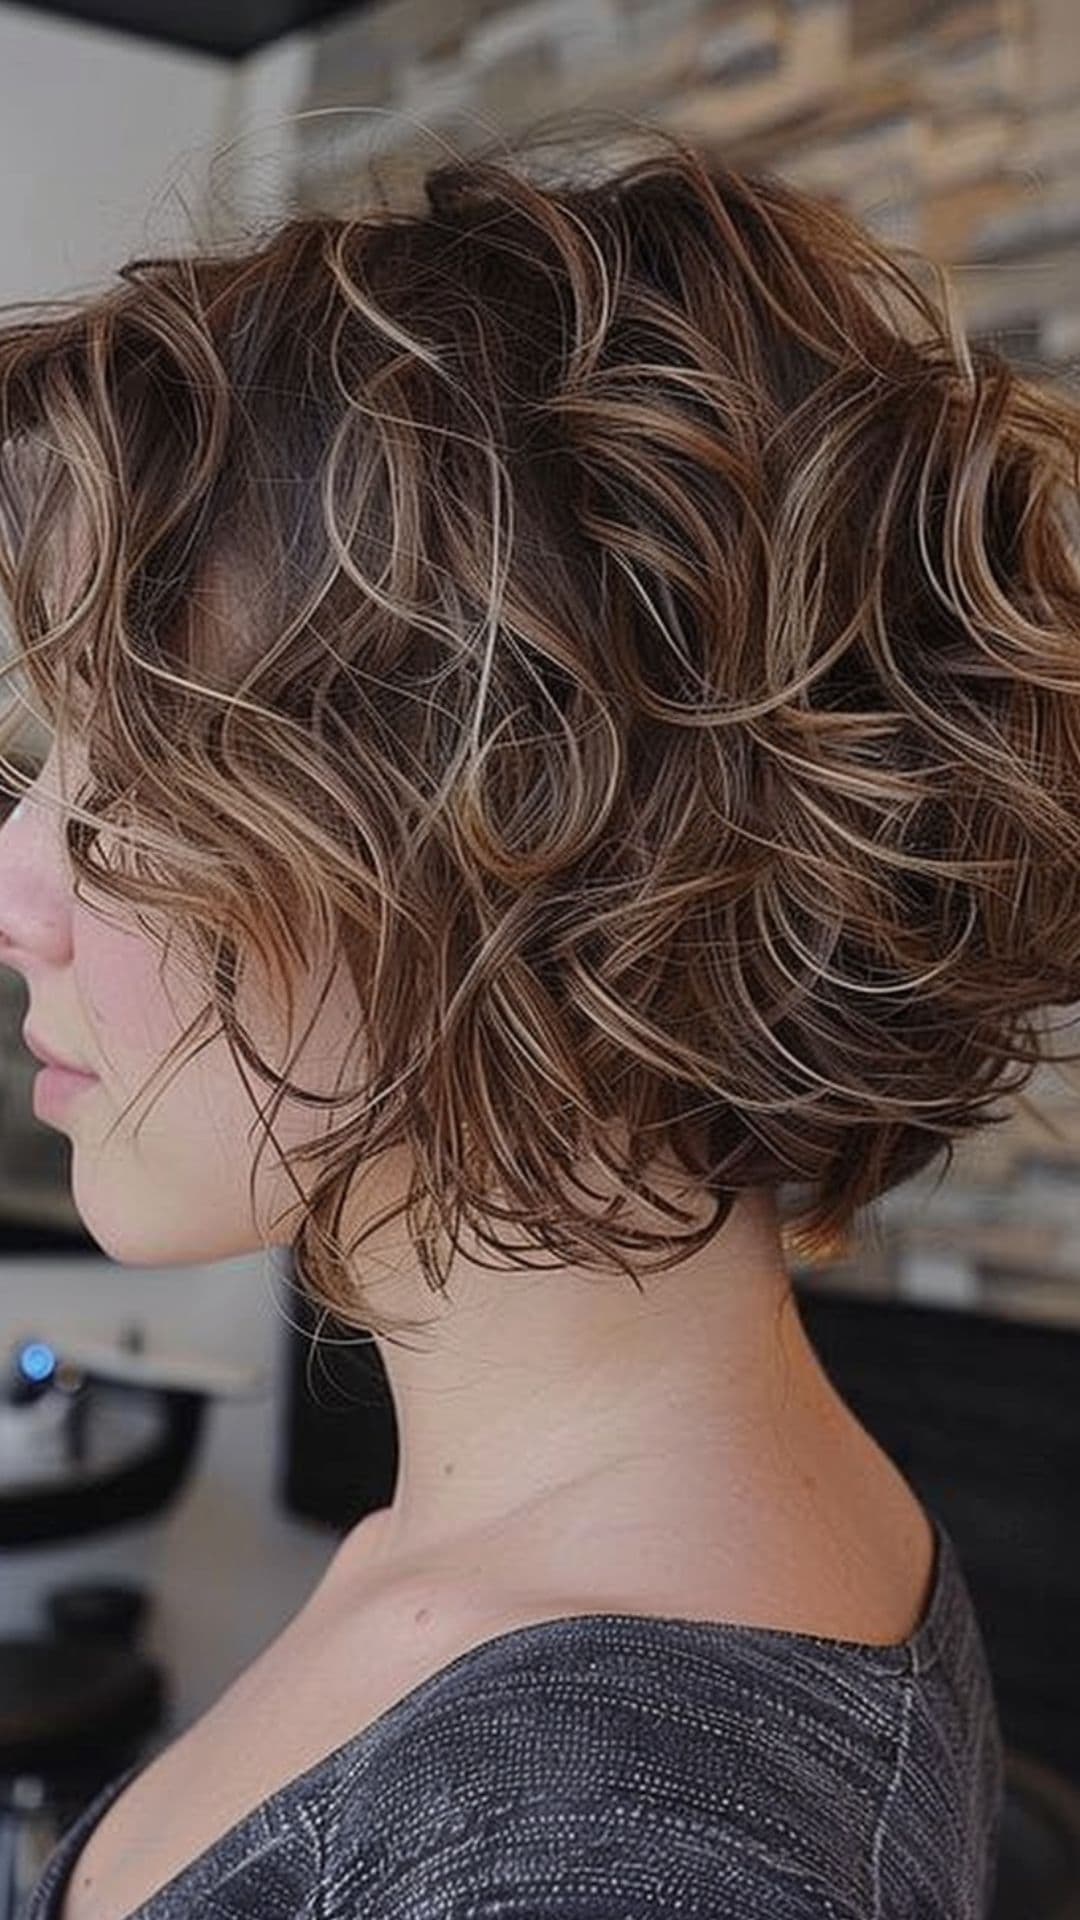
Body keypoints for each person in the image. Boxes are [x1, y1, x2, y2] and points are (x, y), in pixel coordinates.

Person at [5, 107, 1073, 1915]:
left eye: (145, 786)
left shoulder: (607, 1857)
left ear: (522, 844)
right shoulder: (592, 1534)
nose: (17, 890)